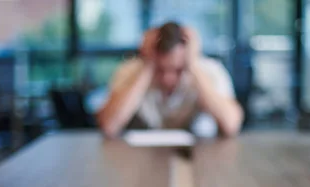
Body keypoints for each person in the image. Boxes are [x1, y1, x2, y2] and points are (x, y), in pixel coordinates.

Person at [97, 22, 243, 139]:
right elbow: (109, 126)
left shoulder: (209, 70)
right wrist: (148, 67)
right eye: (160, 69)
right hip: (140, 161)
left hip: (199, 160)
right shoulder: (132, 70)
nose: (168, 79)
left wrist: (192, 66)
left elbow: (231, 125)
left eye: (178, 70)